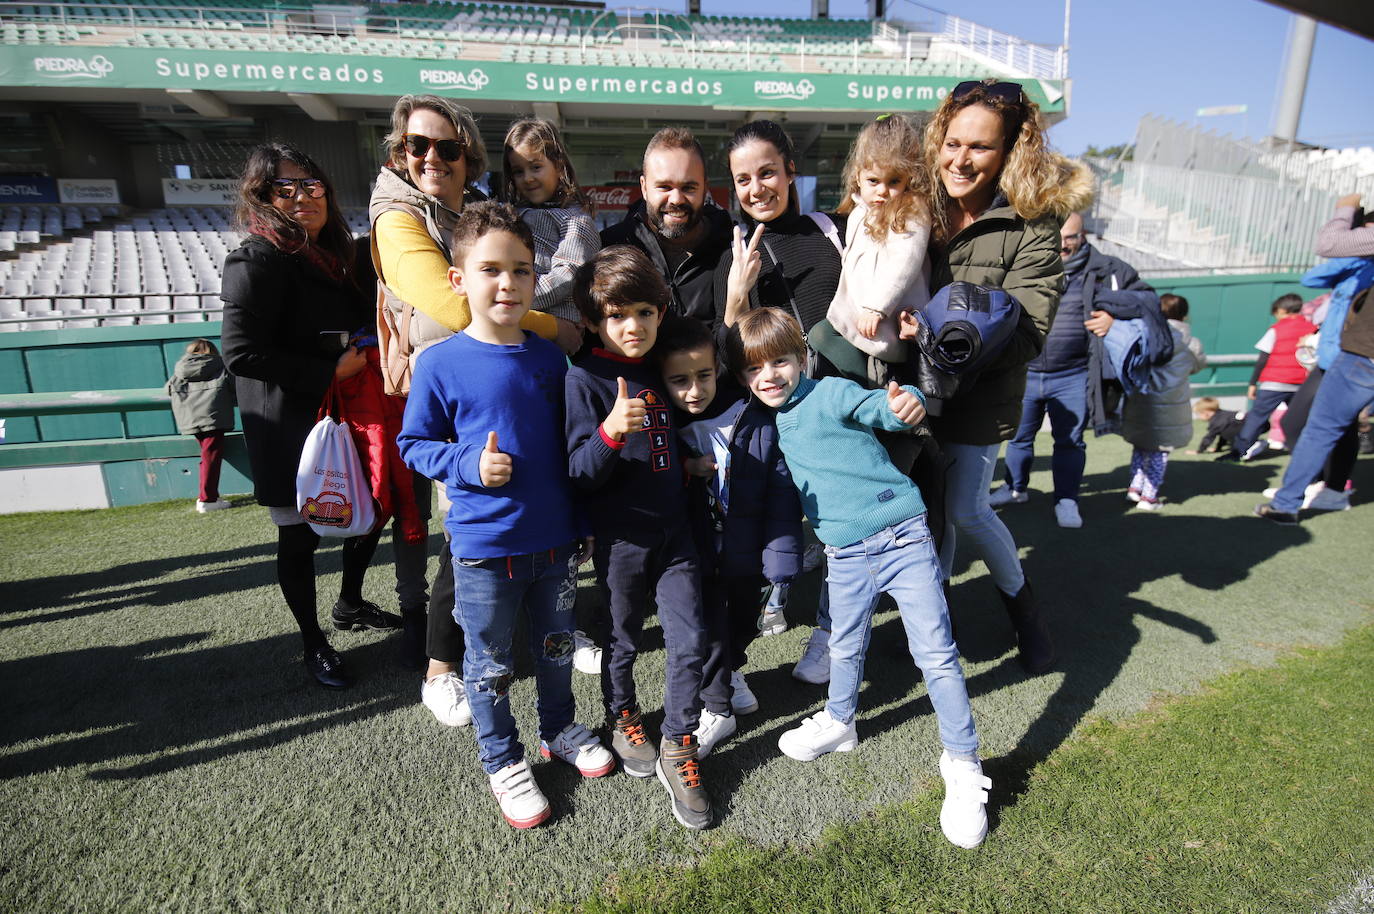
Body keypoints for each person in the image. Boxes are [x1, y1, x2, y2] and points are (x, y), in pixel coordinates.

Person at [726, 308, 989, 850]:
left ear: (802, 358)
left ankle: (963, 762)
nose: (769, 376)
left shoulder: (830, 392)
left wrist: (904, 402)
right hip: (843, 556)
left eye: (780, 361)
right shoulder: (764, 422)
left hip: (903, 537)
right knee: (843, 645)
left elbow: (881, 407)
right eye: (754, 368)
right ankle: (840, 721)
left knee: (936, 654)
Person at [396, 202, 613, 830]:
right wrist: (468, 463)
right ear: (458, 279)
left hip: (556, 544)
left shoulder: (548, 358)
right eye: (490, 269)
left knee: (555, 647)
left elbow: (569, 448)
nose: (508, 283)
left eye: (521, 270)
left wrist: (581, 520)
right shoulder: (438, 363)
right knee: (489, 665)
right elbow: (414, 445)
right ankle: (502, 758)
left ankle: (558, 728)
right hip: (485, 551)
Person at [370, 95, 578, 725]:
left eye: (447, 147)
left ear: (468, 156)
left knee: (524, 520)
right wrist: (560, 331)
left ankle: (544, 647)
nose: (432, 157)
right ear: (399, 153)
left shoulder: (477, 209)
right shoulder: (396, 214)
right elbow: (457, 307)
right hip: (456, 393)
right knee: (466, 540)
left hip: (511, 375)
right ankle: (442, 667)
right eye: (417, 145)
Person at [897, 78, 1092, 675]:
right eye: (952, 143)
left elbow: (1030, 332)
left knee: (964, 510)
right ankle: (938, 625)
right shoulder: (917, 198)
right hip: (906, 388)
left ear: (1010, 150)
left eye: (980, 147)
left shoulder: (1034, 220)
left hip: (979, 396)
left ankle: (1024, 612)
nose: (960, 160)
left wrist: (941, 340)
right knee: (923, 515)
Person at [221, 142, 400, 690]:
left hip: (349, 411)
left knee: (370, 511)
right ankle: (312, 642)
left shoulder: (341, 254)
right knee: (300, 538)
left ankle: (350, 603)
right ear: (262, 196)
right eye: (285, 187)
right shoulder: (256, 258)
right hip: (290, 425)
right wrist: (327, 372)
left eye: (312, 184)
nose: (302, 196)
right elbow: (240, 354)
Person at [565, 245, 711, 830]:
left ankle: (679, 742)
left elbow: (662, 446)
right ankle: (622, 715)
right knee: (622, 638)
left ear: (661, 312)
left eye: (645, 312)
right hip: (621, 541)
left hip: (676, 533)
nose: (634, 326)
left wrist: (687, 467)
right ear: (591, 320)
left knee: (690, 637)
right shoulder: (583, 379)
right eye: (617, 315)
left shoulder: (660, 365)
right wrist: (608, 432)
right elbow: (578, 472)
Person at [713, 119, 850, 685]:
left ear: (791, 171)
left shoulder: (833, 230)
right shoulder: (734, 251)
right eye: (743, 179)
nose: (756, 188)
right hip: (777, 426)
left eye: (767, 172)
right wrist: (737, 295)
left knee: (842, 535)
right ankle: (744, 642)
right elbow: (729, 356)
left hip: (839, 412)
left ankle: (829, 636)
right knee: (770, 534)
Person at [657, 315, 803, 756]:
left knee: (741, 622)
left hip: (746, 550)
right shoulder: (663, 425)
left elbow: (781, 492)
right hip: (696, 551)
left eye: (703, 376)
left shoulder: (754, 418)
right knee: (708, 628)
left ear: (719, 370)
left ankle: (732, 669)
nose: (694, 390)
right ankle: (717, 706)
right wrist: (686, 469)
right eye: (680, 381)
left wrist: (781, 556)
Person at [988, 211, 1157, 528]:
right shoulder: (1026, 260)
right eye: (1058, 236)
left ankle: (1067, 499)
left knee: (1070, 441)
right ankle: (1014, 488)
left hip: (1074, 374)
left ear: (1084, 236)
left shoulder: (1108, 269)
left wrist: (1113, 317)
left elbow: (1147, 299)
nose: (1063, 244)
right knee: (1018, 437)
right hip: (1024, 371)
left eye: (1071, 237)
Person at [808, 113, 931, 389]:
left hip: (888, 319)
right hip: (859, 315)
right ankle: (861, 393)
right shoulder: (858, 214)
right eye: (874, 181)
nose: (882, 192)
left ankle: (867, 396)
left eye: (894, 182)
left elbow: (905, 262)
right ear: (858, 177)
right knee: (823, 335)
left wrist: (877, 307)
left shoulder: (910, 210)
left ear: (909, 179)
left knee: (882, 377)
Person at [1256, 282, 1374, 524]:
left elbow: (1316, 276)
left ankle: (1287, 503)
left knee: (1319, 429)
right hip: (1357, 355)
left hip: (1361, 355)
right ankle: (1323, 490)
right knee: (1325, 426)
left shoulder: (1360, 268)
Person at [600, 127, 733, 326]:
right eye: (664, 187)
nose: (676, 199)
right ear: (644, 187)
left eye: (688, 187)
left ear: (705, 188)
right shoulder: (609, 248)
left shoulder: (733, 250)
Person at [501, 117, 600, 328]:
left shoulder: (575, 220)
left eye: (536, 167)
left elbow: (569, 274)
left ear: (558, 166)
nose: (527, 178)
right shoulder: (509, 215)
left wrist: (519, 300)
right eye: (518, 171)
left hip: (560, 327)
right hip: (517, 321)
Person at [1118, 294, 1207, 510]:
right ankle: (1149, 497)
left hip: (1142, 399)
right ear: (1184, 315)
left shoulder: (1144, 335)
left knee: (1141, 446)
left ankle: (1135, 488)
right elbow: (1197, 366)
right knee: (1160, 451)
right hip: (1172, 404)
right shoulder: (1191, 343)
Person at [1223, 293, 1317, 461]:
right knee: (1302, 419)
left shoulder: (1276, 329)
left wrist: (1253, 383)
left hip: (1274, 382)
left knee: (1256, 417)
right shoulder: (1313, 329)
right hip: (1303, 383)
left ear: (1281, 310)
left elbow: (1263, 359)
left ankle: (1238, 451)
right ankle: (1306, 454)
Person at [165, 338, 235, 513]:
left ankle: (210, 497)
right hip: (214, 416)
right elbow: (234, 386)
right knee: (210, 459)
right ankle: (207, 499)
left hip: (190, 417)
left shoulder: (181, 368)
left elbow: (168, 389)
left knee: (207, 458)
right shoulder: (220, 365)